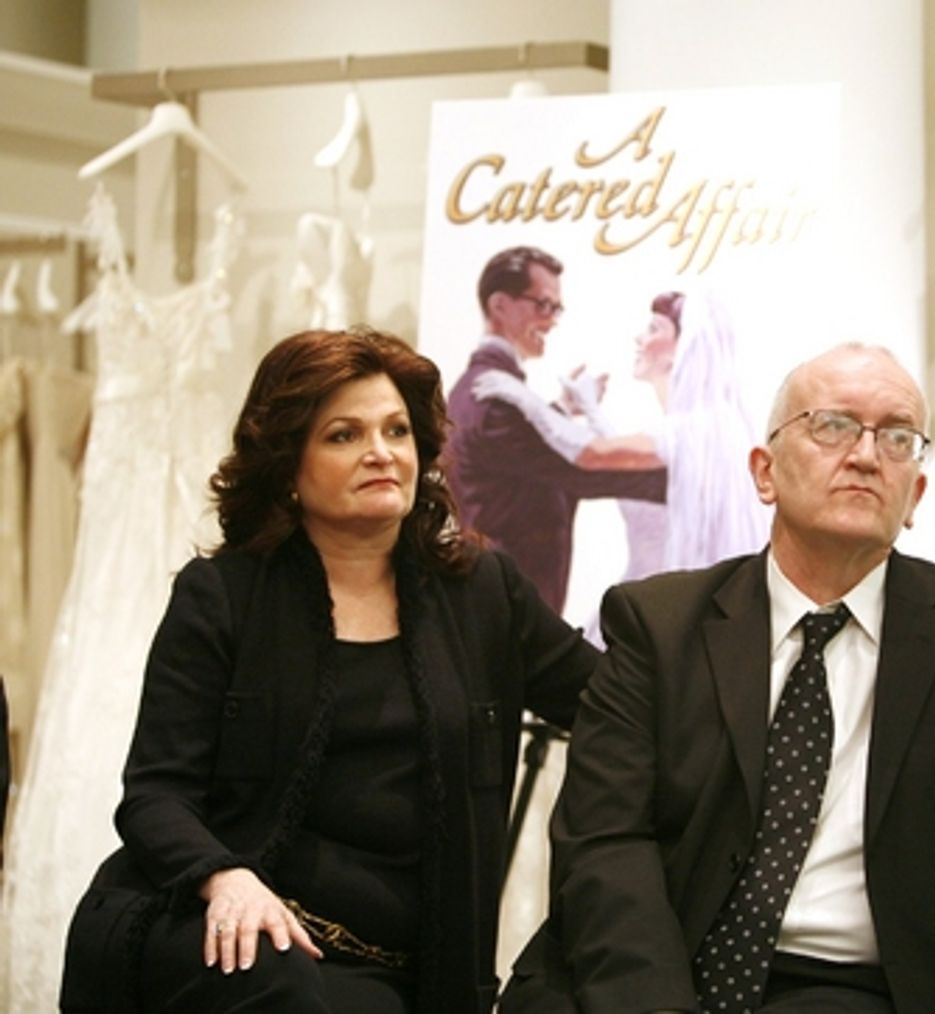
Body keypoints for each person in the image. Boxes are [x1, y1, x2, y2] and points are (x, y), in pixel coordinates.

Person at [500, 342, 935, 1013]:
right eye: (833, 426)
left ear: (915, 494)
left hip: (847, 986)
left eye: (897, 437)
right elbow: (605, 842)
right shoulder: (657, 624)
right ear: (765, 472)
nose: (866, 455)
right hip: (643, 963)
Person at [60, 328, 599, 1013]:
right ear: (288, 465)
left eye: (397, 431)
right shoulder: (223, 597)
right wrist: (225, 879)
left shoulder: (483, 592)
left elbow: (609, 699)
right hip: (230, 930)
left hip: (402, 967)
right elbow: (154, 796)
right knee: (276, 984)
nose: (381, 452)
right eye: (344, 435)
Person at [472, 289, 768, 576]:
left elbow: (595, 454)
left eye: (653, 329)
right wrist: (590, 407)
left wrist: (525, 399)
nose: (639, 337)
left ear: (683, 348)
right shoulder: (703, 428)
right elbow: (623, 460)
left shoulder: (690, 431)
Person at [445, 246, 667, 612]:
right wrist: (685, 478)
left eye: (556, 309)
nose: (551, 320)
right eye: (543, 305)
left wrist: (561, 410)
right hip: (508, 605)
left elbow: (523, 464)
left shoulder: (479, 390)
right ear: (499, 305)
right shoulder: (495, 398)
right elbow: (575, 470)